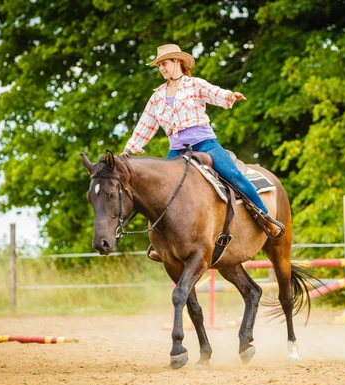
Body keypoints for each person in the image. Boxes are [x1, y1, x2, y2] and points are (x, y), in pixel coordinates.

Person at [122, 44, 285, 247]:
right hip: (177, 150)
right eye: (159, 65)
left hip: (204, 144)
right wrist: (128, 151)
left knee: (234, 176)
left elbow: (214, 93)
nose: (161, 68)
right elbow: (145, 126)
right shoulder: (157, 97)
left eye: (164, 64)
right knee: (161, 190)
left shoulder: (194, 85)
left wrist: (229, 96)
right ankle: (161, 243)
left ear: (177, 62)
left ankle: (265, 218)